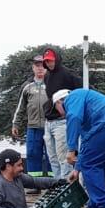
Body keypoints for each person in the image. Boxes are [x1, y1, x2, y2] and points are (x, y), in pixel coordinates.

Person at [41, 47, 81, 179]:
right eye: (46, 61)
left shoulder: (67, 74)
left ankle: (66, 187)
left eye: (51, 61)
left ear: (56, 60)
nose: (49, 64)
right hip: (49, 122)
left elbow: (82, 89)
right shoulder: (47, 77)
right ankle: (57, 185)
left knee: (64, 158)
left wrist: (67, 110)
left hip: (62, 122)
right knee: (52, 158)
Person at [11, 55, 52, 186]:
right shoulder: (27, 86)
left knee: (52, 155)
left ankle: (54, 183)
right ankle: (34, 184)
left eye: (42, 66)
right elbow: (20, 107)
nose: (40, 69)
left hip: (51, 126)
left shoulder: (53, 84)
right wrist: (15, 124)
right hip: (33, 127)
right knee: (33, 154)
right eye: (37, 66)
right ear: (33, 68)